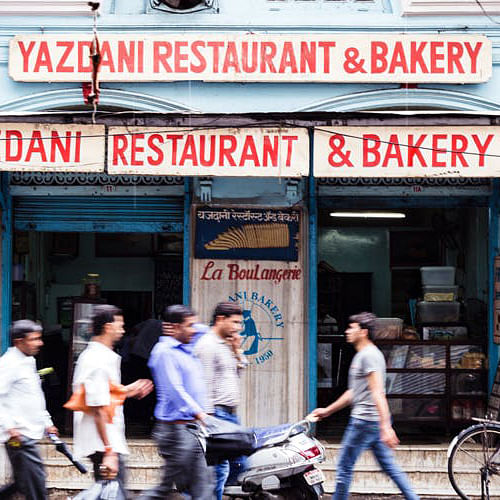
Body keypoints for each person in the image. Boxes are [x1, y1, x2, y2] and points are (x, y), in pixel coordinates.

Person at [308, 312, 420, 500]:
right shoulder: (365, 355)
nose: (347, 331)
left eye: (351, 328)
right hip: (371, 421)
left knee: (344, 468)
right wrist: (328, 411)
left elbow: (377, 392)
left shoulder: (368, 356)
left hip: (364, 421)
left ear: (364, 332)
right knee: (389, 467)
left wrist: (386, 426)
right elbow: (354, 392)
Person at [72, 305, 153, 491]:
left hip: (104, 442)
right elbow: (98, 407)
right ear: (108, 327)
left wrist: (127, 391)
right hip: (104, 444)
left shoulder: (98, 356)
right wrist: (109, 451)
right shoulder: (98, 359)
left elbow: (103, 396)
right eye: (120, 325)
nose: (123, 331)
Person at [140, 305, 210, 500]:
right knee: (164, 489)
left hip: (189, 429)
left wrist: (192, 323)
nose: (194, 329)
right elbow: (174, 390)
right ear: (174, 327)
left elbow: (207, 330)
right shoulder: (164, 352)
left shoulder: (186, 344)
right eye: (189, 325)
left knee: (202, 485)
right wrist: (199, 413)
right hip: (175, 431)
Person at [0, 319, 58, 500]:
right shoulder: (9, 363)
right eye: (34, 339)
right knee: (36, 486)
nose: (39, 343)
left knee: (22, 484)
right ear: (19, 341)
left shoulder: (28, 362)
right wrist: (10, 427)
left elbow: (34, 397)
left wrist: (47, 423)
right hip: (18, 437)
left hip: (28, 434)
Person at [194, 302, 247, 499]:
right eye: (235, 322)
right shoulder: (208, 345)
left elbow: (237, 374)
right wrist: (209, 422)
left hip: (229, 414)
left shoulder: (225, 344)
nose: (239, 327)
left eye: (240, 323)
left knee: (240, 463)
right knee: (220, 469)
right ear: (220, 320)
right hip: (216, 413)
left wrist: (237, 350)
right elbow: (204, 385)